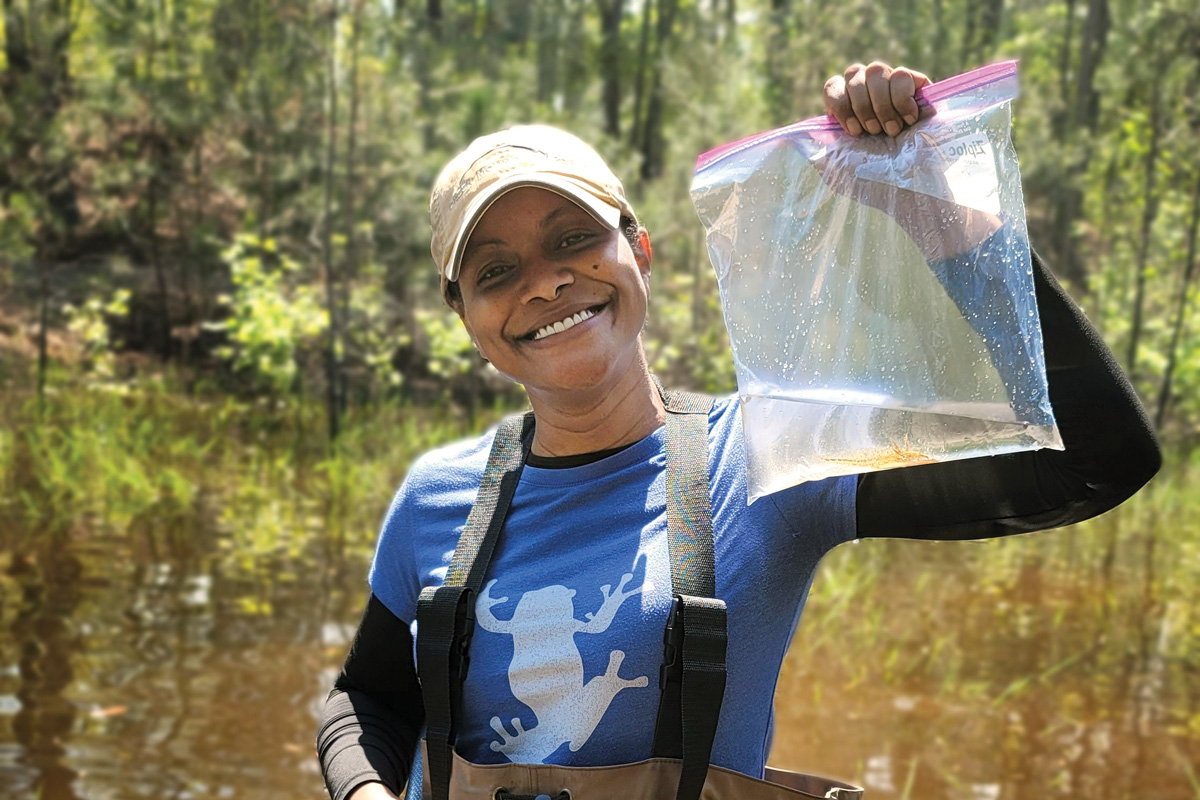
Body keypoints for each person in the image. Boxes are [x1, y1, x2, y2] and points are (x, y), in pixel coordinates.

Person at [316, 62, 1161, 800]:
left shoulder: (768, 456)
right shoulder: (436, 496)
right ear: (462, 312)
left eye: (574, 238)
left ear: (638, 251)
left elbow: (1095, 460)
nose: (544, 284)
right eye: (495, 271)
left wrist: (937, 213)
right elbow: (370, 700)